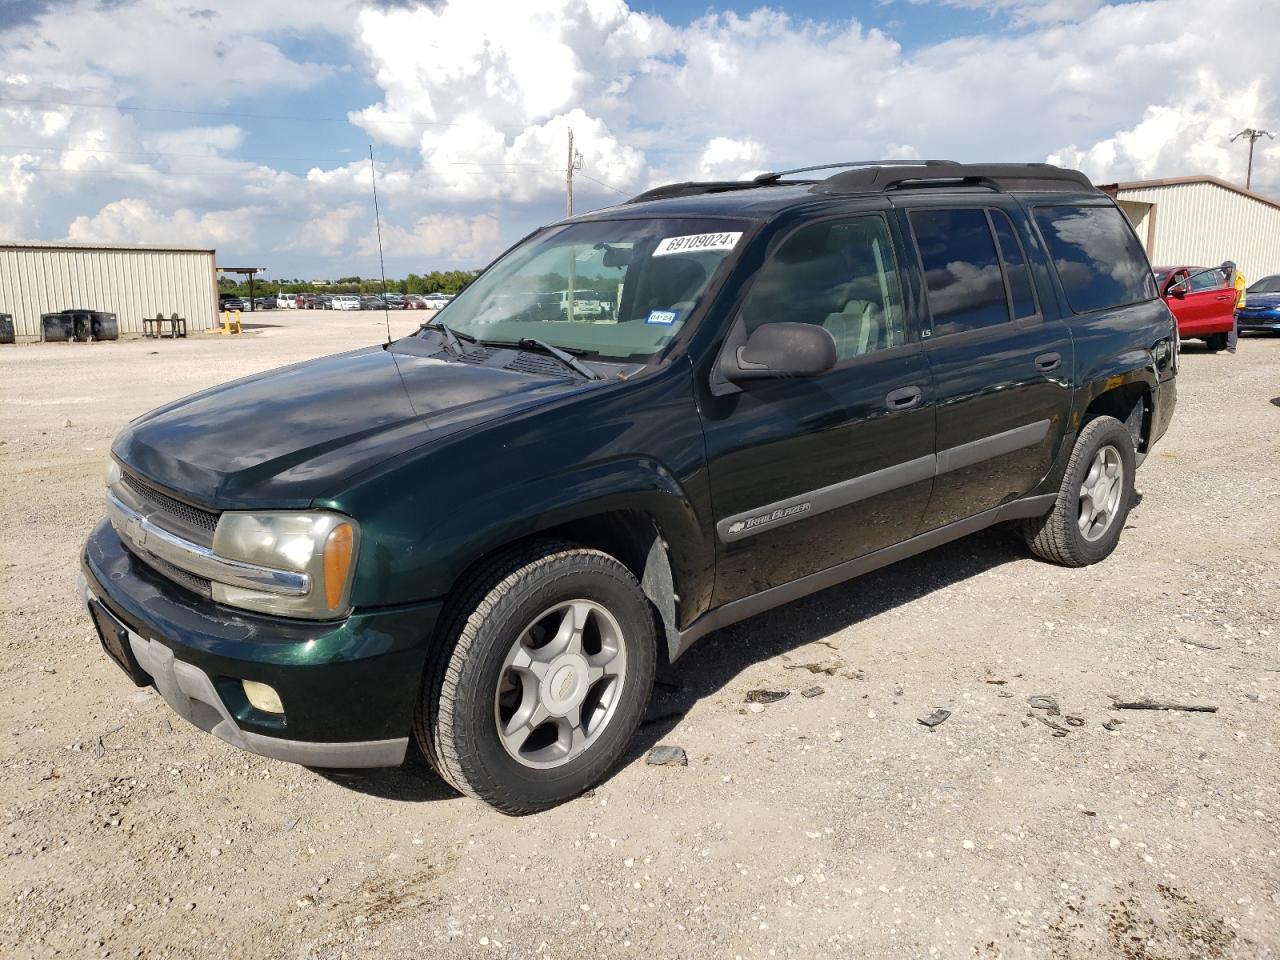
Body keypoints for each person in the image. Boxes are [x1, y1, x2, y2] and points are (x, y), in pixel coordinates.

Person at [1221, 260, 1244, 353]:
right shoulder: (1230, 277)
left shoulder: (1238, 276)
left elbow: (1239, 291)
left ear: (1230, 268)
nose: (1224, 272)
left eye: (1225, 270)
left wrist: (1235, 306)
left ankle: (1231, 348)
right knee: (1228, 325)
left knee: (1232, 326)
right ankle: (1227, 346)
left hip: (1236, 306)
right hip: (1230, 305)